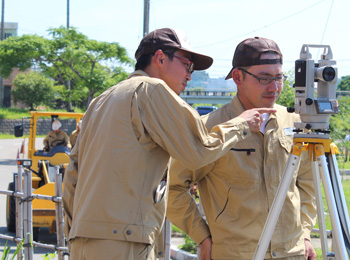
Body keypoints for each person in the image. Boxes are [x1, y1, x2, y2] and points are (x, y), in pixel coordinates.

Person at [63, 28, 274, 260]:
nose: (189, 74)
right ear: (160, 58)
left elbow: (72, 176)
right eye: (187, 64)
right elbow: (198, 151)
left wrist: (75, 232)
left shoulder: (101, 101)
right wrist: (241, 125)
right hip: (125, 240)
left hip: (83, 239)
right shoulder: (151, 90)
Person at [166, 37, 317, 260]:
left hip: (291, 253)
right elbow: (173, 187)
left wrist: (304, 234)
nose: (274, 87)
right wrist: (201, 237)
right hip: (236, 254)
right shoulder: (210, 127)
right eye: (264, 78)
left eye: (278, 77)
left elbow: (308, 184)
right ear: (238, 77)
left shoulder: (295, 122)